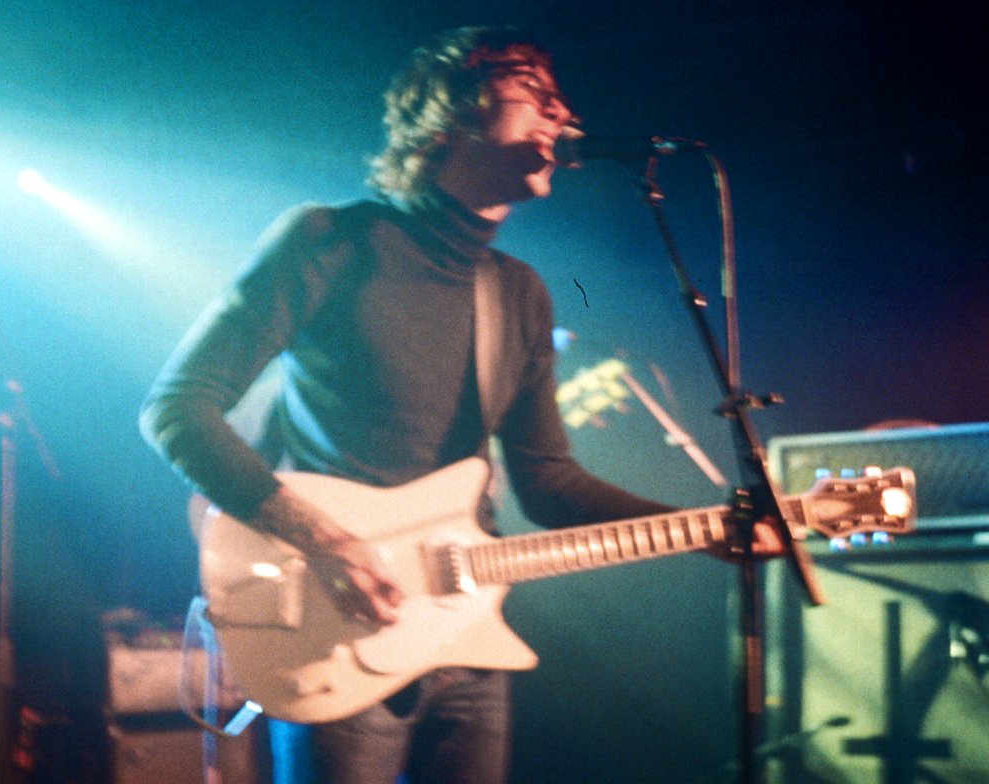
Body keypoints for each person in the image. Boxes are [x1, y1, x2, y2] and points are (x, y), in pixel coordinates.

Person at [140, 25, 777, 784]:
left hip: (467, 636)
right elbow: (177, 409)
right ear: (450, 117)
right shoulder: (331, 242)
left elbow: (548, 482)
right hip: (335, 620)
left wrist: (697, 529)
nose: (562, 110)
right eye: (533, 90)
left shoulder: (517, 292)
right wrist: (324, 541)